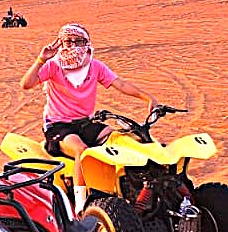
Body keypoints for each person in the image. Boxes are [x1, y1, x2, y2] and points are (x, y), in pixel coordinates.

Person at [20, 23, 152, 212]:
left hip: (85, 123)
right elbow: (26, 84)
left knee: (122, 139)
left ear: (87, 43)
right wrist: (41, 59)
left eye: (78, 41)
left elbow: (120, 84)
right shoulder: (53, 66)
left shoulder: (94, 66)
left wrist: (146, 97)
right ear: (61, 43)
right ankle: (80, 206)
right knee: (82, 150)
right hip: (58, 126)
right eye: (68, 41)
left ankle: (127, 188)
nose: (73, 46)